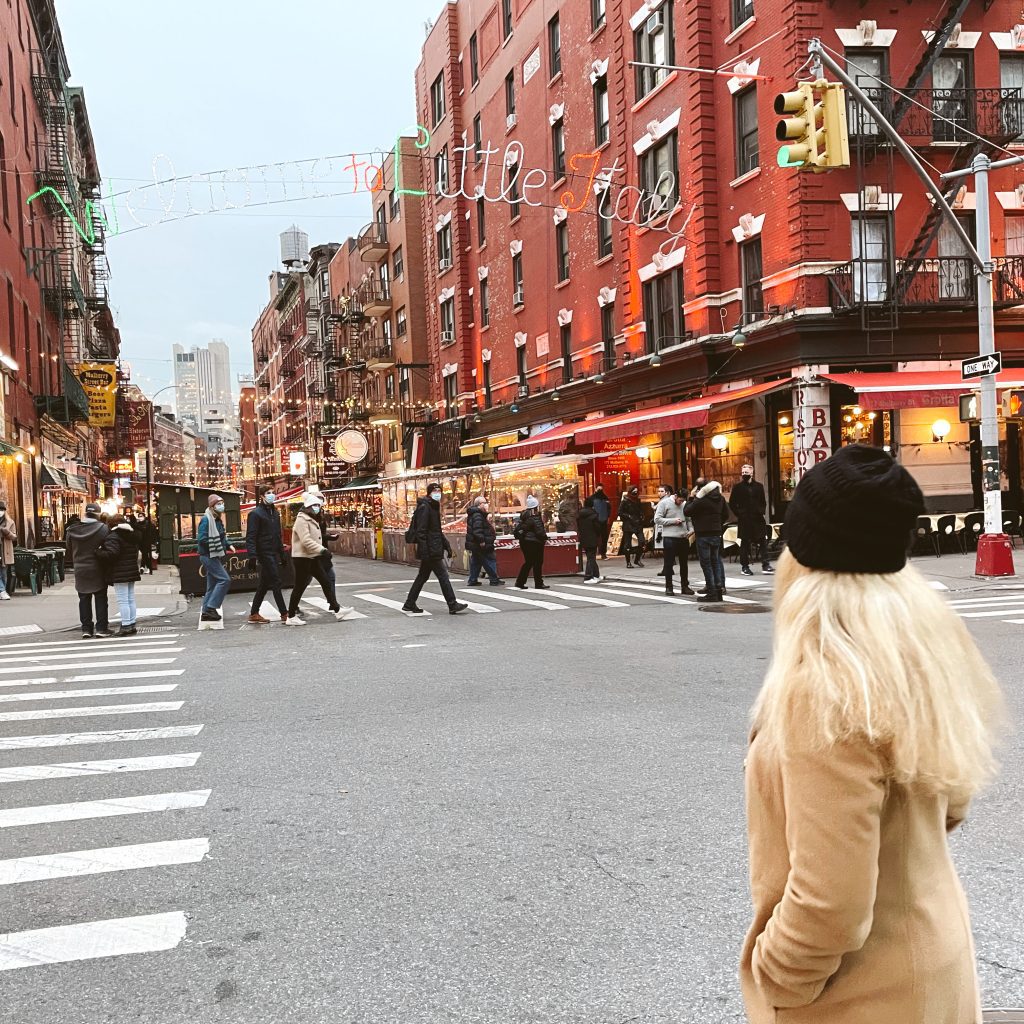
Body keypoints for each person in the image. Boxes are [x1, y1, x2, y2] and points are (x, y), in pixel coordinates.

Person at [741, 445, 1006, 1024]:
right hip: (933, 952)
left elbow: (830, 902)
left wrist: (775, 974)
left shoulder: (824, 688)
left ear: (801, 558)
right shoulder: (918, 648)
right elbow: (952, 800)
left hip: (864, 994)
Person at [287, 493, 354, 623]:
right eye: (315, 505)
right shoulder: (302, 520)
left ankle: (337, 609)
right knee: (299, 587)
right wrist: (322, 550)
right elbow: (306, 540)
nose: (317, 507)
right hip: (302, 558)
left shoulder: (311, 518)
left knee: (325, 582)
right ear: (308, 506)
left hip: (312, 557)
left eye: (318, 505)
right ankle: (291, 616)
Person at [402, 483, 468, 615]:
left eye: (439, 490)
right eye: (435, 490)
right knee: (443, 575)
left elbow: (436, 530)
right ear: (429, 492)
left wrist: (446, 545)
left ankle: (409, 603)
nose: (438, 493)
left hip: (433, 546)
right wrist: (425, 550)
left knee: (422, 576)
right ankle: (452, 603)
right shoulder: (426, 507)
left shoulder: (432, 506)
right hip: (431, 549)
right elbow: (421, 531)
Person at [65, 502, 113, 638]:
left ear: (85, 513)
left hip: (80, 568)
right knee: (101, 598)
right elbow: (108, 547)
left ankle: (86, 629)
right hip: (98, 568)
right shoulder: (103, 529)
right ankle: (101, 628)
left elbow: (69, 547)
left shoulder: (72, 530)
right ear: (98, 514)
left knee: (84, 599)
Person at [246, 484, 290, 624]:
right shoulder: (255, 514)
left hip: (273, 552)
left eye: (272, 492)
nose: (272, 495)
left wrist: (282, 554)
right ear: (262, 496)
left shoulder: (275, 513)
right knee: (276, 581)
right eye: (268, 493)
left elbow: (278, 535)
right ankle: (284, 613)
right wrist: (252, 556)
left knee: (264, 584)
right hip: (264, 552)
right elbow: (251, 536)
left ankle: (254, 613)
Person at [684, 476, 727, 603]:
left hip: (703, 534)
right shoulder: (721, 499)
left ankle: (712, 591)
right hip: (716, 533)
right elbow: (726, 514)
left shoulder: (701, 500)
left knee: (706, 563)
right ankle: (718, 590)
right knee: (715, 562)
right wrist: (717, 524)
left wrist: (691, 497)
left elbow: (687, 511)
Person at [98, 514, 142, 637]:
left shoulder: (114, 536)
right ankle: (132, 623)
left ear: (111, 524)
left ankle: (126, 625)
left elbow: (112, 554)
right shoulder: (131, 534)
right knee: (130, 598)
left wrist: (99, 552)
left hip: (119, 572)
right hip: (131, 570)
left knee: (123, 600)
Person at [729, 463, 774, 577]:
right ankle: (745, 567)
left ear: (752, 473)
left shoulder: (759, 486)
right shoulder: (737, 487)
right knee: (744, 543)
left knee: (763, 541)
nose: (744, 474)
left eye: (746, 472)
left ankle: (766, 565)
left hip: (757, 518)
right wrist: (739, 513)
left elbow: (763, 501)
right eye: (743, 472)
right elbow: (732, 503)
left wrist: (761, 511)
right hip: (745, 519)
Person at [197, 494, 235, 628]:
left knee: (212, 585)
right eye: (218, 504)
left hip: (214, 554)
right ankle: (211, 607)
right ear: (212, 506)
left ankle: (206, 612)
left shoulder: (217, 520)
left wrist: (228, 545)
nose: (221, 506)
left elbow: (222, 536)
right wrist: (216, 545)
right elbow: (202, 539)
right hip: (208, 555)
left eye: (222, 503)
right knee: (225, 580)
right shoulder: (206, 520)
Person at [654, 485, 695, 596]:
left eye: (683, 501)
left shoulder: (684, 504)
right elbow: (657, 519)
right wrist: (673, 521)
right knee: (668, 564)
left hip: (683, 537)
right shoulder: (664, 503)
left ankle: (685, 586)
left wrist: (691, 529)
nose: (681, 503)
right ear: (675, 496)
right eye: (680, 500)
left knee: (684, 564)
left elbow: (688, 519)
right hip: (669, 537)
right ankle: (669, 587)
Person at [466, 496, 504, 587]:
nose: (486, 504)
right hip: (481, 543)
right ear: (479, 504)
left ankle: (473, 580)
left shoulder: (476, 514)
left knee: (476, 561)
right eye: (484, 503)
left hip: (475, 543)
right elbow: (477, 530)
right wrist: (482, 540)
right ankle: (494, 579)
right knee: (489, 560)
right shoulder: (477, 515)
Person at [514, 494, 550, 590]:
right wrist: (545, 538)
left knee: (529, 562)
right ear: (535, 507)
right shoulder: (535, 517)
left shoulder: (524, 516)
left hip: (525, 542)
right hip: (535, 542)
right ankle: (538, 583)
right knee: (538, 563)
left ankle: (520, 581)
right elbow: (540, 531)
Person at [618, 486, 646, 568]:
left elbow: (640, 510)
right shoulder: (625, 501)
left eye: (636, 491)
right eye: (634, 491)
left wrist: (642, 515)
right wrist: (628, 516)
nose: (635, 492)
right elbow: (620, 512)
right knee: (627, 544)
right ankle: (628, 562)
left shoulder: (638, 500)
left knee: (642, 542)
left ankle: (637, 559)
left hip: (637, 523)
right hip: (628, 524)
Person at [577, 496, 602, 583]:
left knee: (590, 556)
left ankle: (596, 575)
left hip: (584, 538)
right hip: (592, 538)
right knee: (591, 558)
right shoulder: (594, 515)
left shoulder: (580, 514)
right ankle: (588, 577)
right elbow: (598, 528)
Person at [589, 485, 612, 558]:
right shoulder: (604, 498)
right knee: (598, 537)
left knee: (602, 537)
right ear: (595, 489)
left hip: (601, 520)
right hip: (597, 521)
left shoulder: (593, 498)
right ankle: (599, 552)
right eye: (599, 489)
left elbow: (609, 508)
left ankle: (602, 552)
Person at [0, 500, 16, 601]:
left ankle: (2, 591)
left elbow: (14, 537)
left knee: (4, 573)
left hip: (5, 551)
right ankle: (2, 591)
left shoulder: (10, 522)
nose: (0, 512)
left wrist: (6, 532)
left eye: (2, 510)